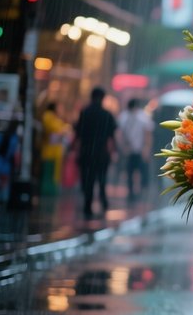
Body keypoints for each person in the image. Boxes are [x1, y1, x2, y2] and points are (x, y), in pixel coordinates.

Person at [74, 87, 117, 220]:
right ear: (103, 98)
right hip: (101, 153)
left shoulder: (84, 113)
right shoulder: (107, 115)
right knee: (102, 179)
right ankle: (103, 202)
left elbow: (78, 134)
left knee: (88, 179)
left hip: (87, 152)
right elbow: (111, 136)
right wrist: (113, 151)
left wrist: (75, 150)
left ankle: (88, 204)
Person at [117, 98, 154, 200]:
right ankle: (140, 192)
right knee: (139, 172)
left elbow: (119, 134)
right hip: (139, 150)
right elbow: (148, 134)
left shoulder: (123, 116)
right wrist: (146, 148)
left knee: (130, 172)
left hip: (130, 150)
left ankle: (132, 193)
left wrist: (123, 147)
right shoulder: (143, 117)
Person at [40, 102, 71, 195]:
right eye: (59, 107)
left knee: (53, 174)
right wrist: (64, 130)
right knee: (48, 173)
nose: (60, 110)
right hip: (49, 152)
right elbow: (56, 129)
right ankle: (47, 191)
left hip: (55, 152)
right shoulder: (48, 116)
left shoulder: (56, 119)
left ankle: (51, 190)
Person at [0, 119, 21, 204]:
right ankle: (3, 203)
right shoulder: (14, 138)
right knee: (5, 188)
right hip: (6, 167)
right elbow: (14, 153)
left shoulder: (0, 135)